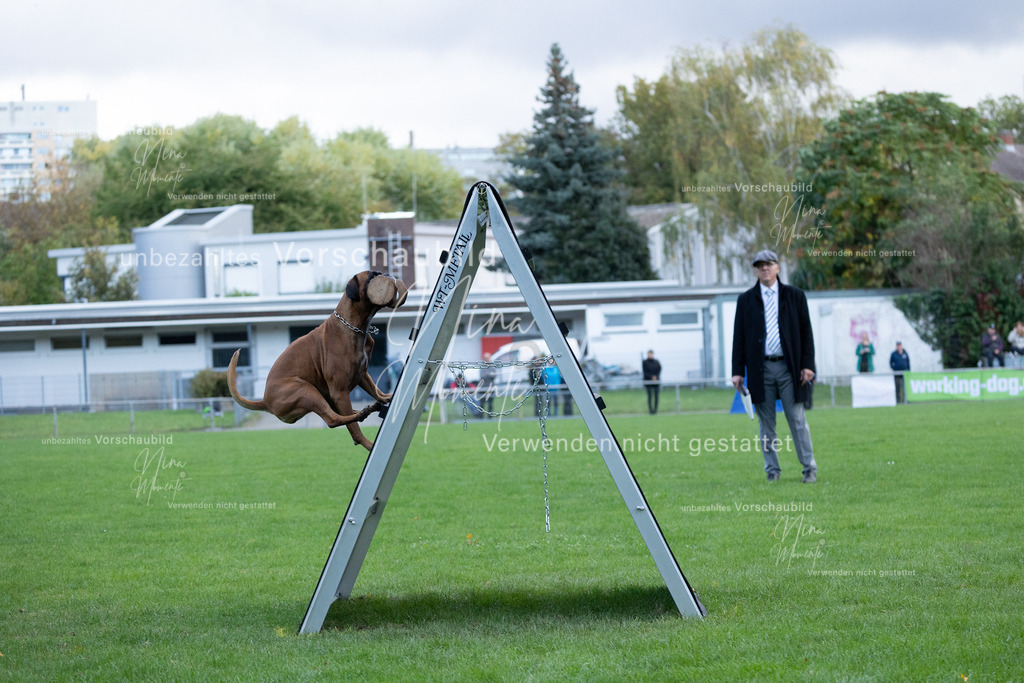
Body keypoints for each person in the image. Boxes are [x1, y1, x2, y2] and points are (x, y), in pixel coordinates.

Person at [731, 249, 818, 483]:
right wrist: (737, 371)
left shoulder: (795, 296)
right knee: (766, 423)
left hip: (790, 368)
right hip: (761, 369)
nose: (764, 268)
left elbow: (806, 332)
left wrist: (808, 365)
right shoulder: (746, 300)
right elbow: (738, 337)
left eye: (769, 264)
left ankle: (809, 468)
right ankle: (772, 471)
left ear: (778, 267)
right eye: (760, 265)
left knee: (797, 419)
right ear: (755, 270)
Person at [642, 350, 662, 414]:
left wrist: (655, 377)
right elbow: (645, 372)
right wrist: (651, 377)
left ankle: (655, 411)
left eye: (651, 354)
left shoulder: (656, 362)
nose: (650, 355)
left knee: (656, 397)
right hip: (648, 382)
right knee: (650, 397)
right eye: (649, 354)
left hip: (656, 382)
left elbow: (659, 370)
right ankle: (651, 411)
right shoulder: (645, 362)